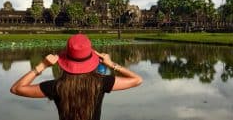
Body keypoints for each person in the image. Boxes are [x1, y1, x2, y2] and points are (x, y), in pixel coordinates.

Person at [10, 33, 142, 120]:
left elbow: (16, 88)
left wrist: (42, 66)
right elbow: (137, 80)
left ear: (66, 59)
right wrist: (111, 64)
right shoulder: (100, 82)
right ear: (91, 58)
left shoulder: (57, 86)